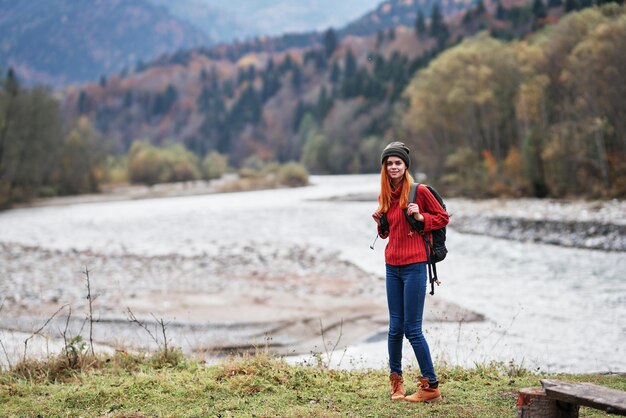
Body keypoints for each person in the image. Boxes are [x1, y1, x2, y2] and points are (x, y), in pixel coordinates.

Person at [372, 141, 449, 403]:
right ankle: (396, 383)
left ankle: (430, 386)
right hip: (392, 266)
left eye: (398, 163)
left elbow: (443, 218)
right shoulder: (385, 195)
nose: (393, 167)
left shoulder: (420, 192)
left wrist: (421, 218)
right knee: (394, 328)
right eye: (389, 163)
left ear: (405, 166)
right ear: (385, 167)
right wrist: (379, 222)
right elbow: (386, 233)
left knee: (412, 329)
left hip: (415, 266)